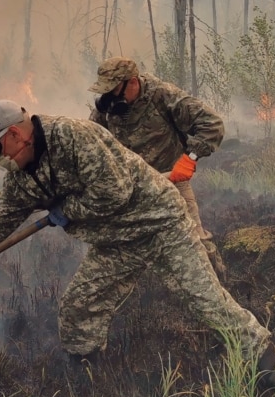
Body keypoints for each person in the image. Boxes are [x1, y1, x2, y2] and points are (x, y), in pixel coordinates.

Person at [0, 99, 275, 390]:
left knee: (208, 303)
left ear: (15, 134)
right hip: (119, 241)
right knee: (79, 309)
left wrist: (66, 209)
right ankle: (90, 386)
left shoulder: (71, 137)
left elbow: (114, 192)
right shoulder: (23, 177)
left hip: (160, 223)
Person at [89, 57, 227, 281]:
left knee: (196, 243)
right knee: (118, 251)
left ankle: (222, 291)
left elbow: (212, 124)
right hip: (130, 189)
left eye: (114, 90)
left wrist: (189, 159)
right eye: (106, 91)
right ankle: (149, 300)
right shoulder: (108, 106)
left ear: (132, 82)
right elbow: (92, 140)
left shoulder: (163, 96)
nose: (111, 98)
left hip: (170, 182)